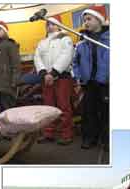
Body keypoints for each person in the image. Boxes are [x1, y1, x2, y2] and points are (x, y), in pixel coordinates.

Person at [34, 15, 74, 145]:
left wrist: (54, 72)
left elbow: (66, 56)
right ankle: (48, 132)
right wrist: (44, 73)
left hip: (62, 77)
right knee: (48, 106)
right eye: (48, 24)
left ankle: (66, 134)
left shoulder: (66, 39)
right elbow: (37, 58)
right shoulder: (42, 42)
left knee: (63, 106)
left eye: (53, 24)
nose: (50, 26)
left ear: (59, 25)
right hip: (46, 79)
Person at [73, 6, 109, 149]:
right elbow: (75, 62)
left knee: (106, 112)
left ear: (99, 20)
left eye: (89, 19)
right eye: (84, 20)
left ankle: (106, 139)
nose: (86, 22)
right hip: (88, 82)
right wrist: (78, 76)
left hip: (105, 82)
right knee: (88, 111)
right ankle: (89, 137)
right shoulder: (82, 42)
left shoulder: (109, 40)